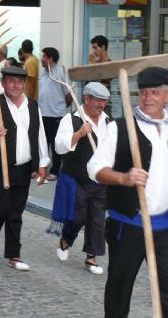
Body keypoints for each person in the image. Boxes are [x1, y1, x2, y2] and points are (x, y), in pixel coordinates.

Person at [87, 67, 168, 317]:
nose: (148, 98)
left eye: (155, 93)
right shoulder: (121, 127)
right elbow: (94, 168)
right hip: (127, 224)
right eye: (143, 92)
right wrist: (123, 178)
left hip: (164, 226)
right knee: (120, 289)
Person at [0, 66, 50, 271]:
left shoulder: (33, 106)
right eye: (11, 81)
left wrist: (42, 164)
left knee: (16, 212)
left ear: (24, 84)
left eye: (20, 82)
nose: (16, 85)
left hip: (23, 168)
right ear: (3, 83)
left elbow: (39, 135)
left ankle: (14, 255)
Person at [53, 82, 110, 274]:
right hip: (77, 178)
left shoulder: (108, 122)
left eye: (105, 101)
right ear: (86, 99)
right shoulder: (71, 119)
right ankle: (66, 239)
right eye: (98, 100)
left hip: (100, 179)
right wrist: (79, 134)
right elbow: (59, 147)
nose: (101, 105)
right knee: (77, 217)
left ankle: (91, 257)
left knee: (97, 219)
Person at [39, 47, 72, 181]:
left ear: (51, 59)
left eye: (44, 56)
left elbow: (68, 95)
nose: (41, 59)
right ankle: (42, 170)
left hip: (56, 116)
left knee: (55, 145)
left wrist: (60, 109)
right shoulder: (44, 73)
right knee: (43, 144)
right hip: (44, 114)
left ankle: (55, 171)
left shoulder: (60, 73)